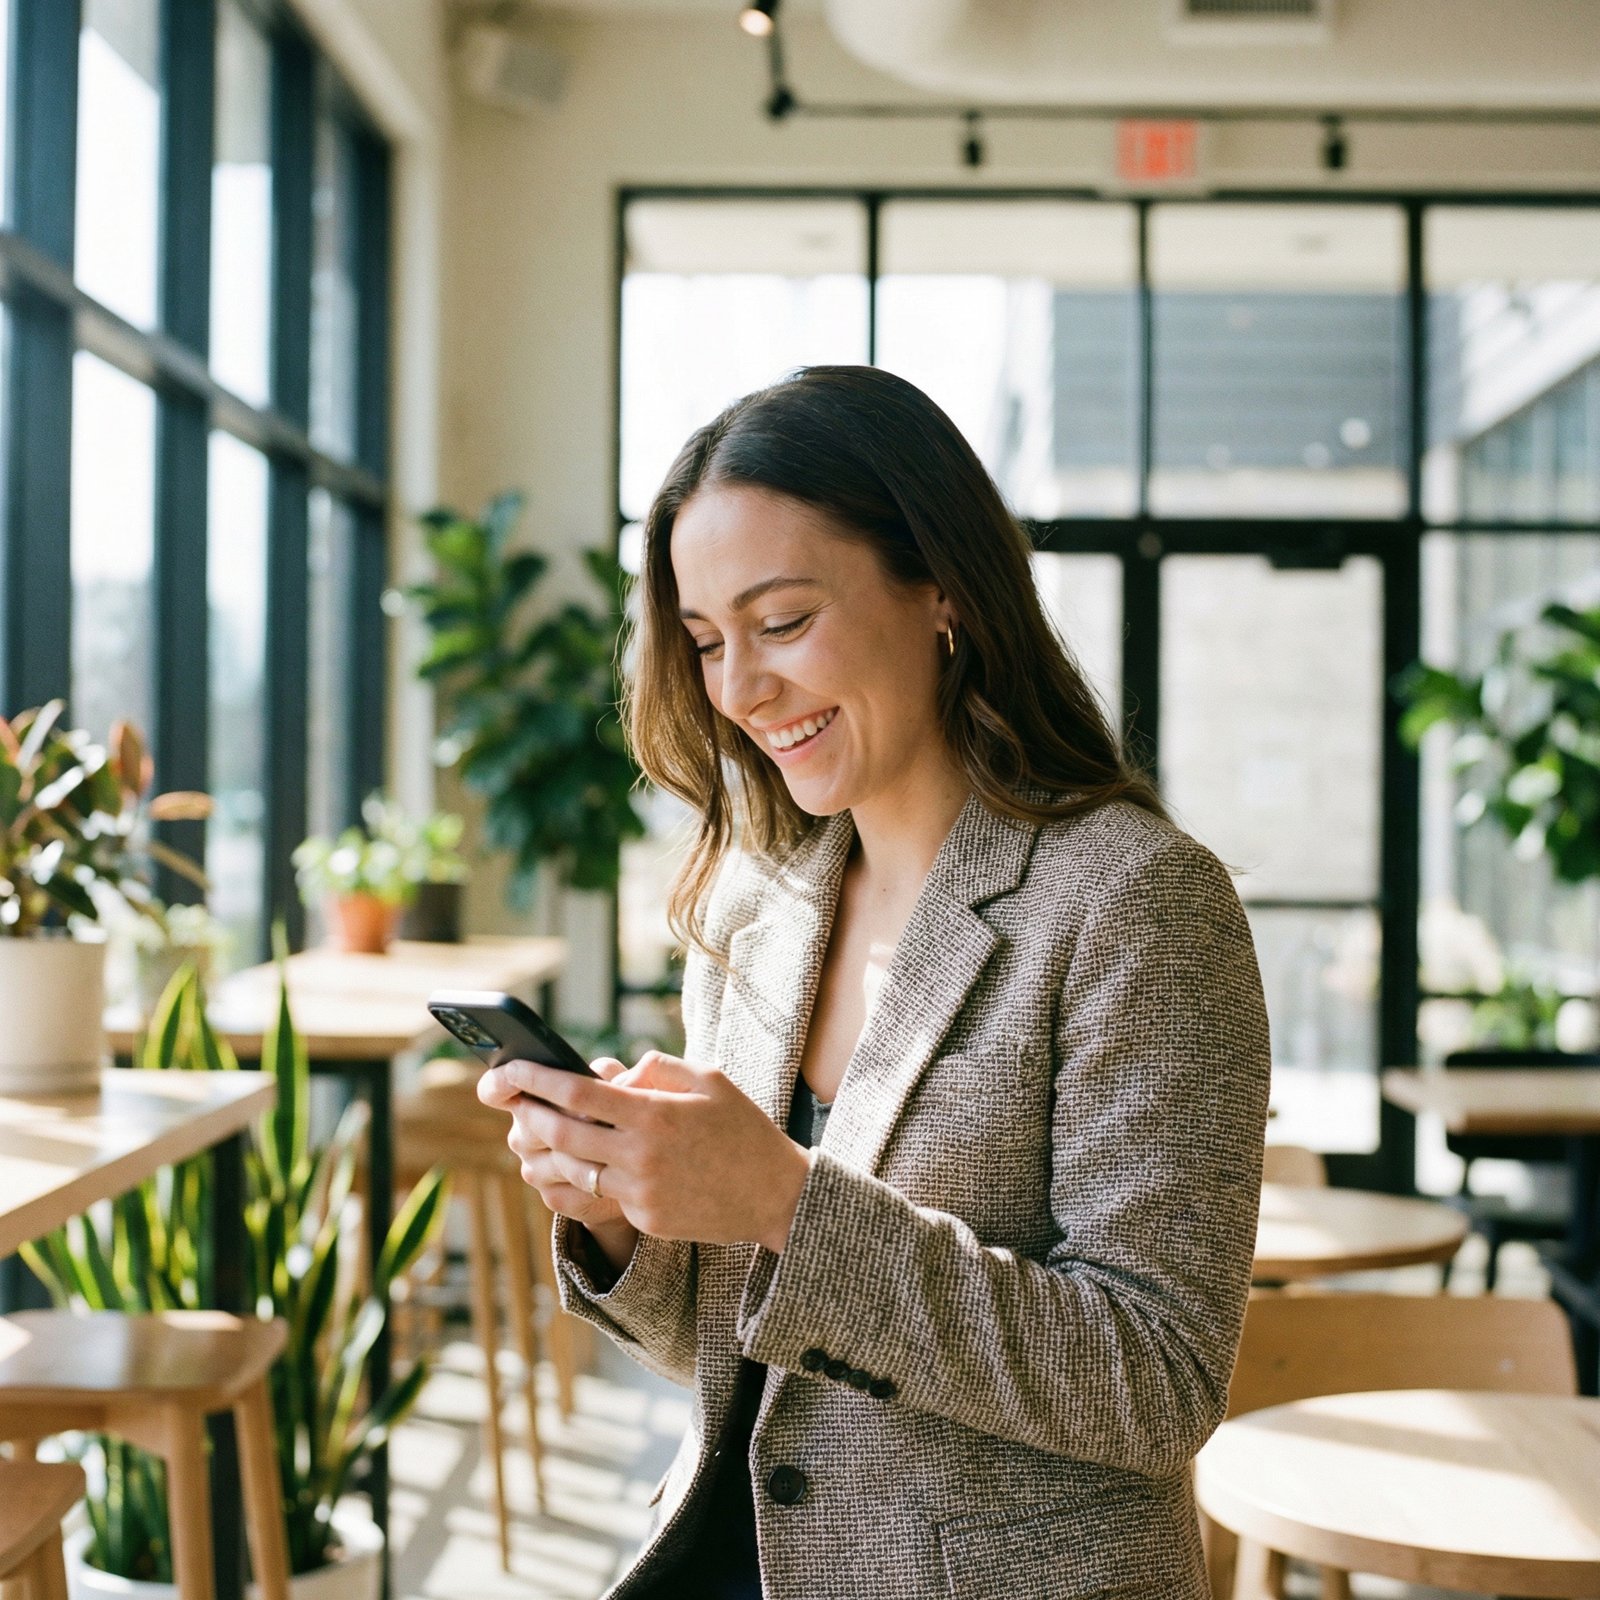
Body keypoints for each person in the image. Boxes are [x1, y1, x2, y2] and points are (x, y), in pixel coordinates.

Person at [478, 364, 1271, 1600]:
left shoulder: (1133, 900)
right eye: (704, 643)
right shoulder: (753, 908)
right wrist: (630, 1219)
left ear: (940, 586)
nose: (738, 691)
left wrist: (789, 1200)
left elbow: (1155, 1379)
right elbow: (746, 1360)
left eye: (782, 623)